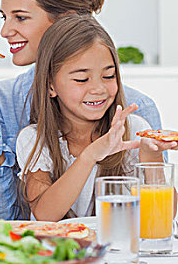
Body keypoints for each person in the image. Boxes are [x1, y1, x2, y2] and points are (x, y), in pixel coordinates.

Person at [0, 0, 163, 220]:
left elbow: (155, 215)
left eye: (21, 17)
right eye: (5, 17)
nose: (5, 31)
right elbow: (4, 216)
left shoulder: (136, 112)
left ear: (66, 21)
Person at [16, 14, 175, 220]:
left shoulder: (133, 129)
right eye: (82, 79)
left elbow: (161, 218)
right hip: (63, 250)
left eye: (109, 76)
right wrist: (91, 155)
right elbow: (45, 215)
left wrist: (152, 158)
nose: (99, 89)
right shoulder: (35, 138)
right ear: (50, 85)